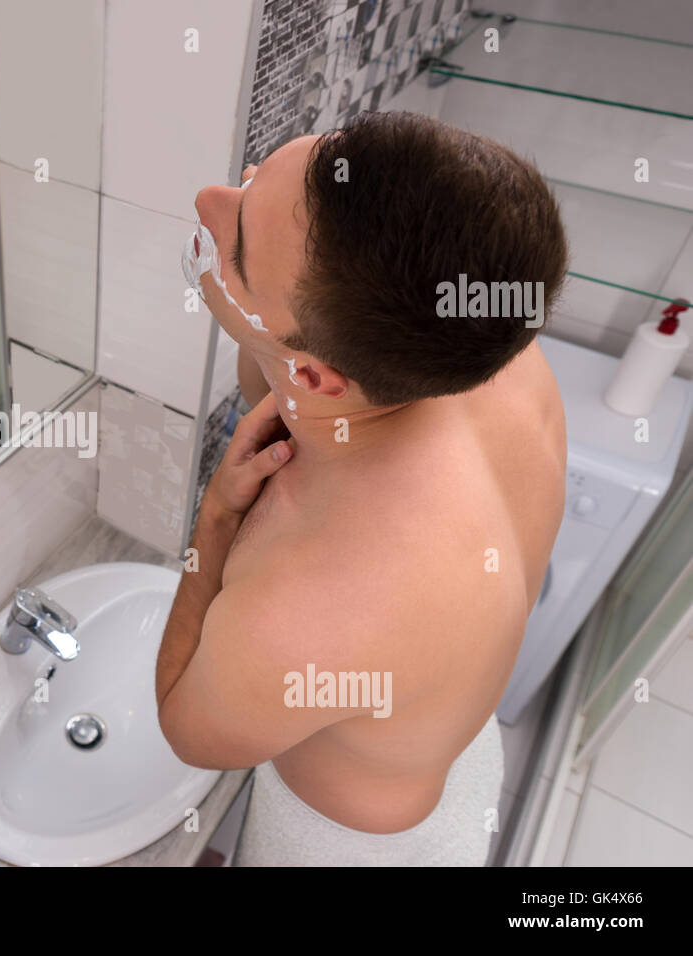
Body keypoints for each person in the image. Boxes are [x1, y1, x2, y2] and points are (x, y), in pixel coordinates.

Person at [158, 111, 569, 865]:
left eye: (237, 238)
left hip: (344, 842)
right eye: (251, 178)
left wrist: (216, 517)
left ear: (320, 375)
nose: (205, 202)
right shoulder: (491, 353)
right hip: (454, 750)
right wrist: (257, 312)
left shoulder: (306, 607)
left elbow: (187, 728)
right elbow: (285, 376)